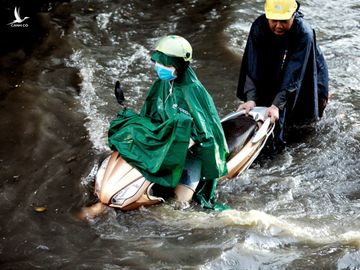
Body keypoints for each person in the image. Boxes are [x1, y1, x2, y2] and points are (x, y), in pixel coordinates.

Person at [79, 35, 228, 219]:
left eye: (166, 65)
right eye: (159, 63)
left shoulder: (193, 92)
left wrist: (182, 139)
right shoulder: (163, 83)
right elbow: (150, 113)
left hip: (190, 154)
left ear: (179, 66)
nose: (160, 68)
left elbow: (205, 134)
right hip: (167, 144)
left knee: (180, 205)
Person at [236, 0, 329, 153]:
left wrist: (276, 105)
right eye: (273, 20)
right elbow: (252, 64)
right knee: (266, 102)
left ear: (293, 15)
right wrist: (251, 98)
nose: (278, 26)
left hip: (307, 67)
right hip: (275, 58)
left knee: (306, 117)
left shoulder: (304, 33)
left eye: (284, 21)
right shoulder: (258, 27)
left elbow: (294, 73)